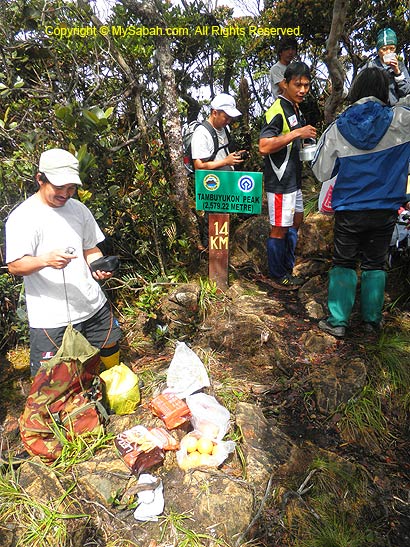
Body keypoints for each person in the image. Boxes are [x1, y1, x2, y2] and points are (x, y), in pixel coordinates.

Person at [5, 148, 122, 376]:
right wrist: (45, 261)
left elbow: (90, 248)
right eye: (59, 188)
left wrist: (98, 267)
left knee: (109, 342)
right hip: (51, 314)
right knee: (52, 375)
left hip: (90, 302)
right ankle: (62, 407)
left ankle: (111, 384)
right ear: (40, 179)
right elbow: (15, 266)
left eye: (71, 188)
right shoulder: (23, 217)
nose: (65, 194)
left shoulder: (79, 210)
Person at [312, 67, 410, 337]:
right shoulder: (401, 120)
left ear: (355, 90)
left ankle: (338, 322)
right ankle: (371, 322)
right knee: (375, 263)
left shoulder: (337, 128)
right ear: (382, 91)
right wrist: (400, 77)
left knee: (343, 262)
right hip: (386, 208)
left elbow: (321, 171)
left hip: (350, 208)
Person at [259, 61, 317, 289]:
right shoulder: (277, 110)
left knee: (296, 221)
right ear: (284, 84)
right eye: (298, 85)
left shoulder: (294, 107)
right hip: (280, 181)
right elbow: (264, 146)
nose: (303, 90)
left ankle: (287, 267)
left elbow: (292, 139)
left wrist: (304, 137)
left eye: (307, 85)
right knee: (279, 228)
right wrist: (296, 134)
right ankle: (277, 275)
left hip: (294, 180)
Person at [191, 93, 245, 172]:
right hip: (212, 182)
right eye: (226, 118)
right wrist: (225, 162)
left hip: (227, 179)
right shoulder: (201, 133)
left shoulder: (225, 129)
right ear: (215, 113)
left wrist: (235, 156)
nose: (228, 121)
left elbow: (222, 154)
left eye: (230, 118)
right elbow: (198, 166)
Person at [363, 27, 410, 105]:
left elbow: (406, 91)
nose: (388, 52)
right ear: (378, 51)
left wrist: (397, 72)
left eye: (392, 48)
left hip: (395, 112)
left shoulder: (400, 66)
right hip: (375, 111)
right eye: (384, 49)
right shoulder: (369, 67)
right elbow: (358, 91)